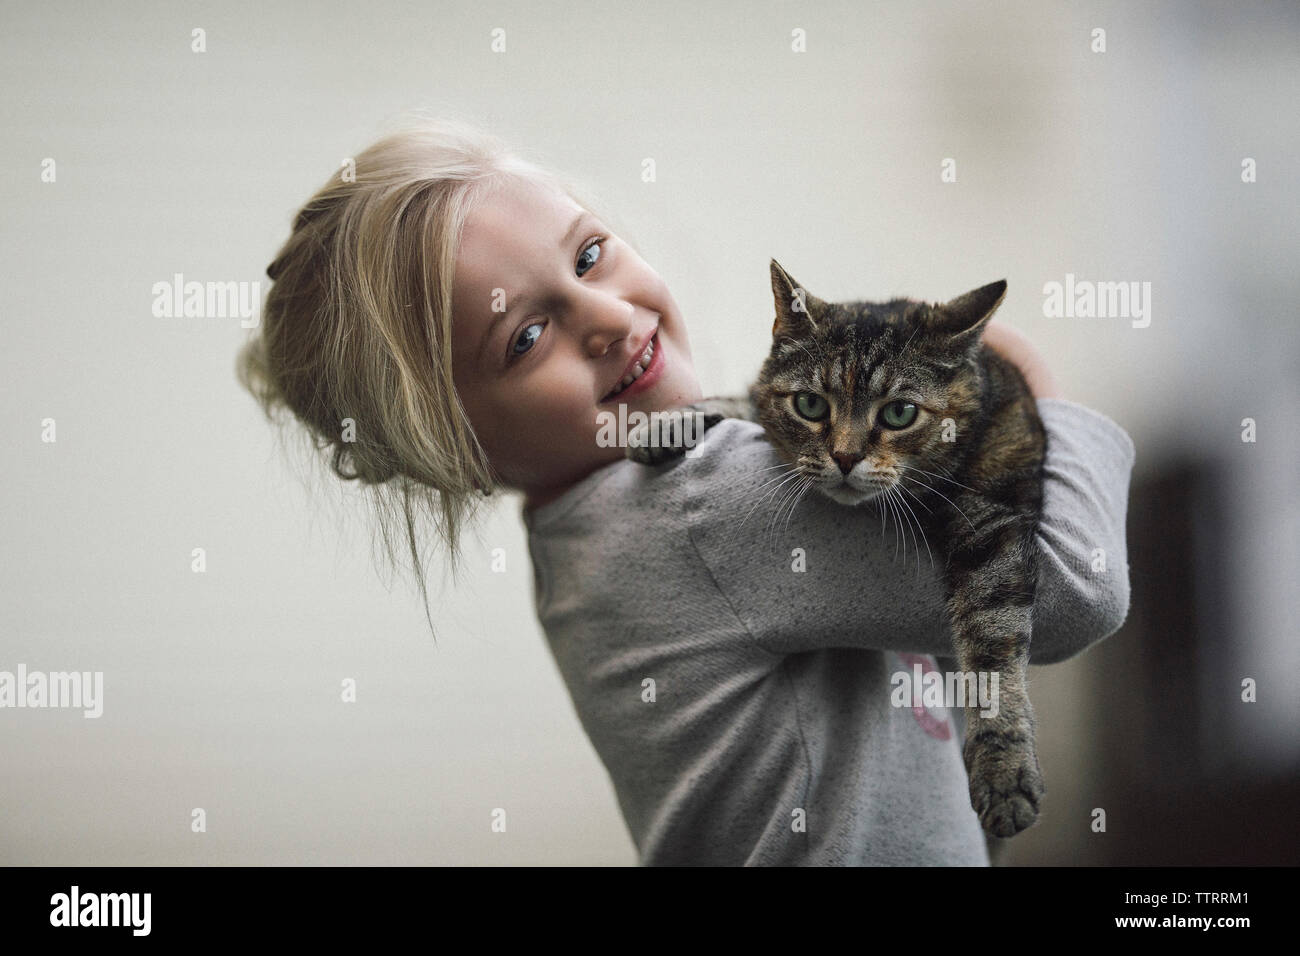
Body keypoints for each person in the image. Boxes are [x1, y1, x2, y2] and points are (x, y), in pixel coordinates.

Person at [236, 115, 1135, 865]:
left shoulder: (591, 533)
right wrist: (1034, 389)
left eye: (589, 256)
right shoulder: (701, 506)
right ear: (457, 451)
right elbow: (1073, 589)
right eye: (523, 337)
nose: (608, 318)